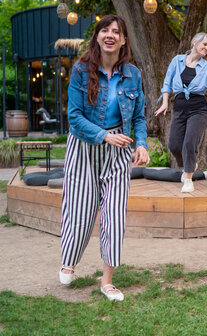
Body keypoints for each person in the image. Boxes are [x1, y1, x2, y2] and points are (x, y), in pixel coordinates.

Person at [60, 15, 150, 301]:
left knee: (114, 215)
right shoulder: (80, 70)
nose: (110, 35)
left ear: (123, 40)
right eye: (105, 30)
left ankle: (107, 281)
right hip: (85, 147)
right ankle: (69, 261)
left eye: (117, 32)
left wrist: (142, 144)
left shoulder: (133, 74)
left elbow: (138, 117)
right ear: (97, 36)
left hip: (118, 151)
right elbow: (74, 118)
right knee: (81, 210)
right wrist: (104, 135)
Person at [155, 32, 207, 193]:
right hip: (179, 107)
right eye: (204, 44)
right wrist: (165, 103)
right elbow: (167, 83)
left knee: (189, 142)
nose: (206, 48)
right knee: (174, 145)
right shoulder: (177, 61)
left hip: (198, 108)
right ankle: (188, 164)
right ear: (194, 42)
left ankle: (188, 178)